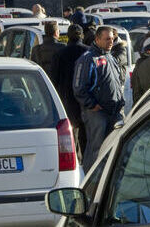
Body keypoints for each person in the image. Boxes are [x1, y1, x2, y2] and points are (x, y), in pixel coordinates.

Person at [73, 26, 124, 172]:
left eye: (112, 39)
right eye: (107, 39)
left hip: (113, 111)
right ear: (97, 39)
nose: (111, 42)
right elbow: (79, 88)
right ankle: (90, 181)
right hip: (97, 112)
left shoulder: (110, 56)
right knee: (96, 148)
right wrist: (92, 105)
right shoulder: (87, 59)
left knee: (112, 148)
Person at [51, 25, 90, 155]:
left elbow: (54, 79)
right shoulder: (88, 53)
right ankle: (85, 161)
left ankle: (75, 159)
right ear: (82, 35)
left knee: (70, 134)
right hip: (86, 99)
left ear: (68, 36)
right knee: (85, 134)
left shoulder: (59, 54)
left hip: (66, 99)